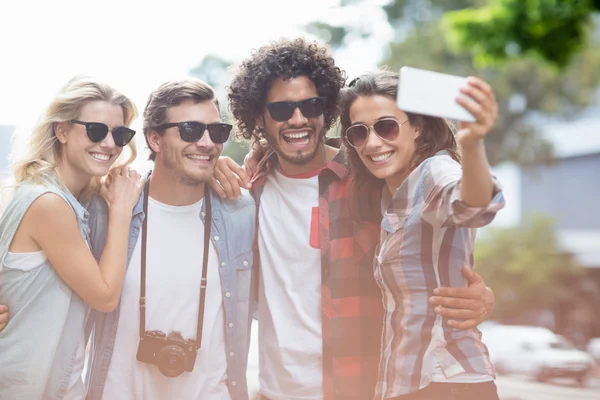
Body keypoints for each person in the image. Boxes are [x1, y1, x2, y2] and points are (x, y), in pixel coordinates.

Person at [218, 37, 496, 400]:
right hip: (275, 392)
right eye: (282, 109)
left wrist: (486, 297)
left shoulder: (372, 178)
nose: (298, 118)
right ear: (260, 117)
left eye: (310, 105)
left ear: (326, 110)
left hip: (361, 387)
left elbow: (452, 224)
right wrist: (212, 165)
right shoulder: (246, 192)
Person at [84, 78, 256, 400]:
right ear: (155, 139)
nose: (207, 143)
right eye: (190, 130)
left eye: (216, 132)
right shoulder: (105, 210)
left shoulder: (242, 212)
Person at [339, 70, 504, 399]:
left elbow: (475, 206)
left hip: (447, 383)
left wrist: (472, 147)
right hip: (404, 385)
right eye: (359, 132)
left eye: (386, 126)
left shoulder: (433, 172)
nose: (372, 143)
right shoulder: (386, 196)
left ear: (417, 127)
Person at [0, 76, 143, 399]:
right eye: (95, 130)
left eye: (119, 134)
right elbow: (105, 297)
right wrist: (121, 211)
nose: (109, 143)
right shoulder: (49, 203)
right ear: (61, 131)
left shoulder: (78, 200)